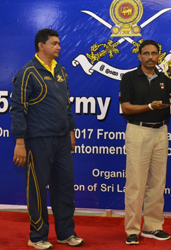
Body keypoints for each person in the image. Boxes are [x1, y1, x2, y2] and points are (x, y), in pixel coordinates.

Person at [11, 28, 84, 249]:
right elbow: (17, 109)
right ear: (41, 46)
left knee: (64, 187)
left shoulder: (61, 71)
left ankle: (65, 233)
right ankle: (37, 236)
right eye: (54, 43)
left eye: (59, 43)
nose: (58, 47)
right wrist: (20, 143)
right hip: (37, 140)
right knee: (37, 189)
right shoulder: (27, 73)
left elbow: (67, 105)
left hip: (62, 140)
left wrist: (71, 131)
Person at [120, 39, 171, 245]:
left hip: (161, 132)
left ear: (159, 56)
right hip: (138, 131)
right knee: (135, 184)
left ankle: (153, 227)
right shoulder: (129, 78)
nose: (150, 57)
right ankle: (132, 229)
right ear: (139, 56)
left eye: (154, 53)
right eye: (146, 53)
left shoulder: (166, 78)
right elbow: (126, 108)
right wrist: (149, 106)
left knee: (157, 183)